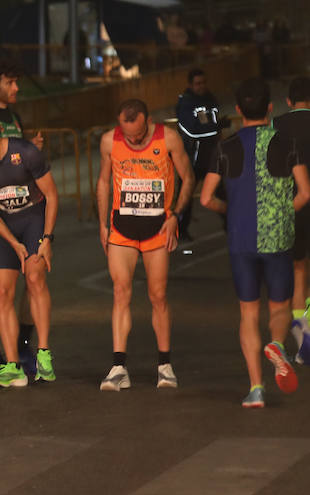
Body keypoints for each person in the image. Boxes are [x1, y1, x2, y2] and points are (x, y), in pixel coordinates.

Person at [199, 79, 308, 407]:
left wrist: (228, 210)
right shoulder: (287, 143)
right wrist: (283, 214)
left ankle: (256, 388)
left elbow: (205, 198)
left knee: (248, 312)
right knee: (280, 307)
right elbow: (305, 192)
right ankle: (277, 345)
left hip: (241, 238)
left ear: (238, 111)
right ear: (270, 108)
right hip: (278, 237)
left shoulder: (225, 147)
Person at [95, 98, 195, 391]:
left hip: (156, 230)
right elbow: (103, 182)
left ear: (147, 120)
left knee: (158, 295)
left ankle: (165, 365)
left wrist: (176, 216)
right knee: (120, 291)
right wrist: (102, 223)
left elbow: (188, 176)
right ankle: (118, 367)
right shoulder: (109, 141)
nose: (134, 140)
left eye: (138, 135)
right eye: (128, 135)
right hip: (122, 229)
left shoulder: (169, 138)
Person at [0, 106, 60, 388]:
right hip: (4, 226)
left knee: (34, 277)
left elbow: (52, 194)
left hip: (33, 220)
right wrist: (12, 242)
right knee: (2, 289)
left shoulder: (26, 153)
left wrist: (47, 239)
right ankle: (13, 365)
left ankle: (43, 355)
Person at [0, 58, 44, 379]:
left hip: (26, 212)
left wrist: (33, 149)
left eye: (17, 82)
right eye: (10, 82)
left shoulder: (13, 117)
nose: (16, 88)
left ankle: (23, 346)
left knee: (33, 280)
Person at [273, 76, 310, 363]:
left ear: (288, 101)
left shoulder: (277, 127)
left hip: (292, 207)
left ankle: (303, 336)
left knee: (298, 273)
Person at [175, 68, 224, 241]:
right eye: (197, 83)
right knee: (185, 196)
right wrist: (215, 128)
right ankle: (179, 229)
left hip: (211, 156)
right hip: (191, 159)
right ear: (190, 85)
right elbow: (192, 130)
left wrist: (216, 128)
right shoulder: (186, 102)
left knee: (222, 191)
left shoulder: (210, 98)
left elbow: (214, 122)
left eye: (203, 82)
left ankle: (229, 223)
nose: (201, 86)